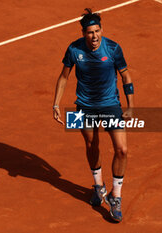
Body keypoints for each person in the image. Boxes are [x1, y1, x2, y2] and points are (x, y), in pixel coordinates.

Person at [52, 8, 134, 222]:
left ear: (101, 30)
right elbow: (63, 78)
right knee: (91, 145)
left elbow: (126, 76)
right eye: (90, 32)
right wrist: (56, 104)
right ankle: (98, 186)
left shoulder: (114, 48)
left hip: (110, 105)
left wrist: (131, 105)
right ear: (83, 33)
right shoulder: (73, 49)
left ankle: (115, 195)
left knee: (122, 149)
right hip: (84, 106)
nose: (94, 36)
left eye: (97, 31)